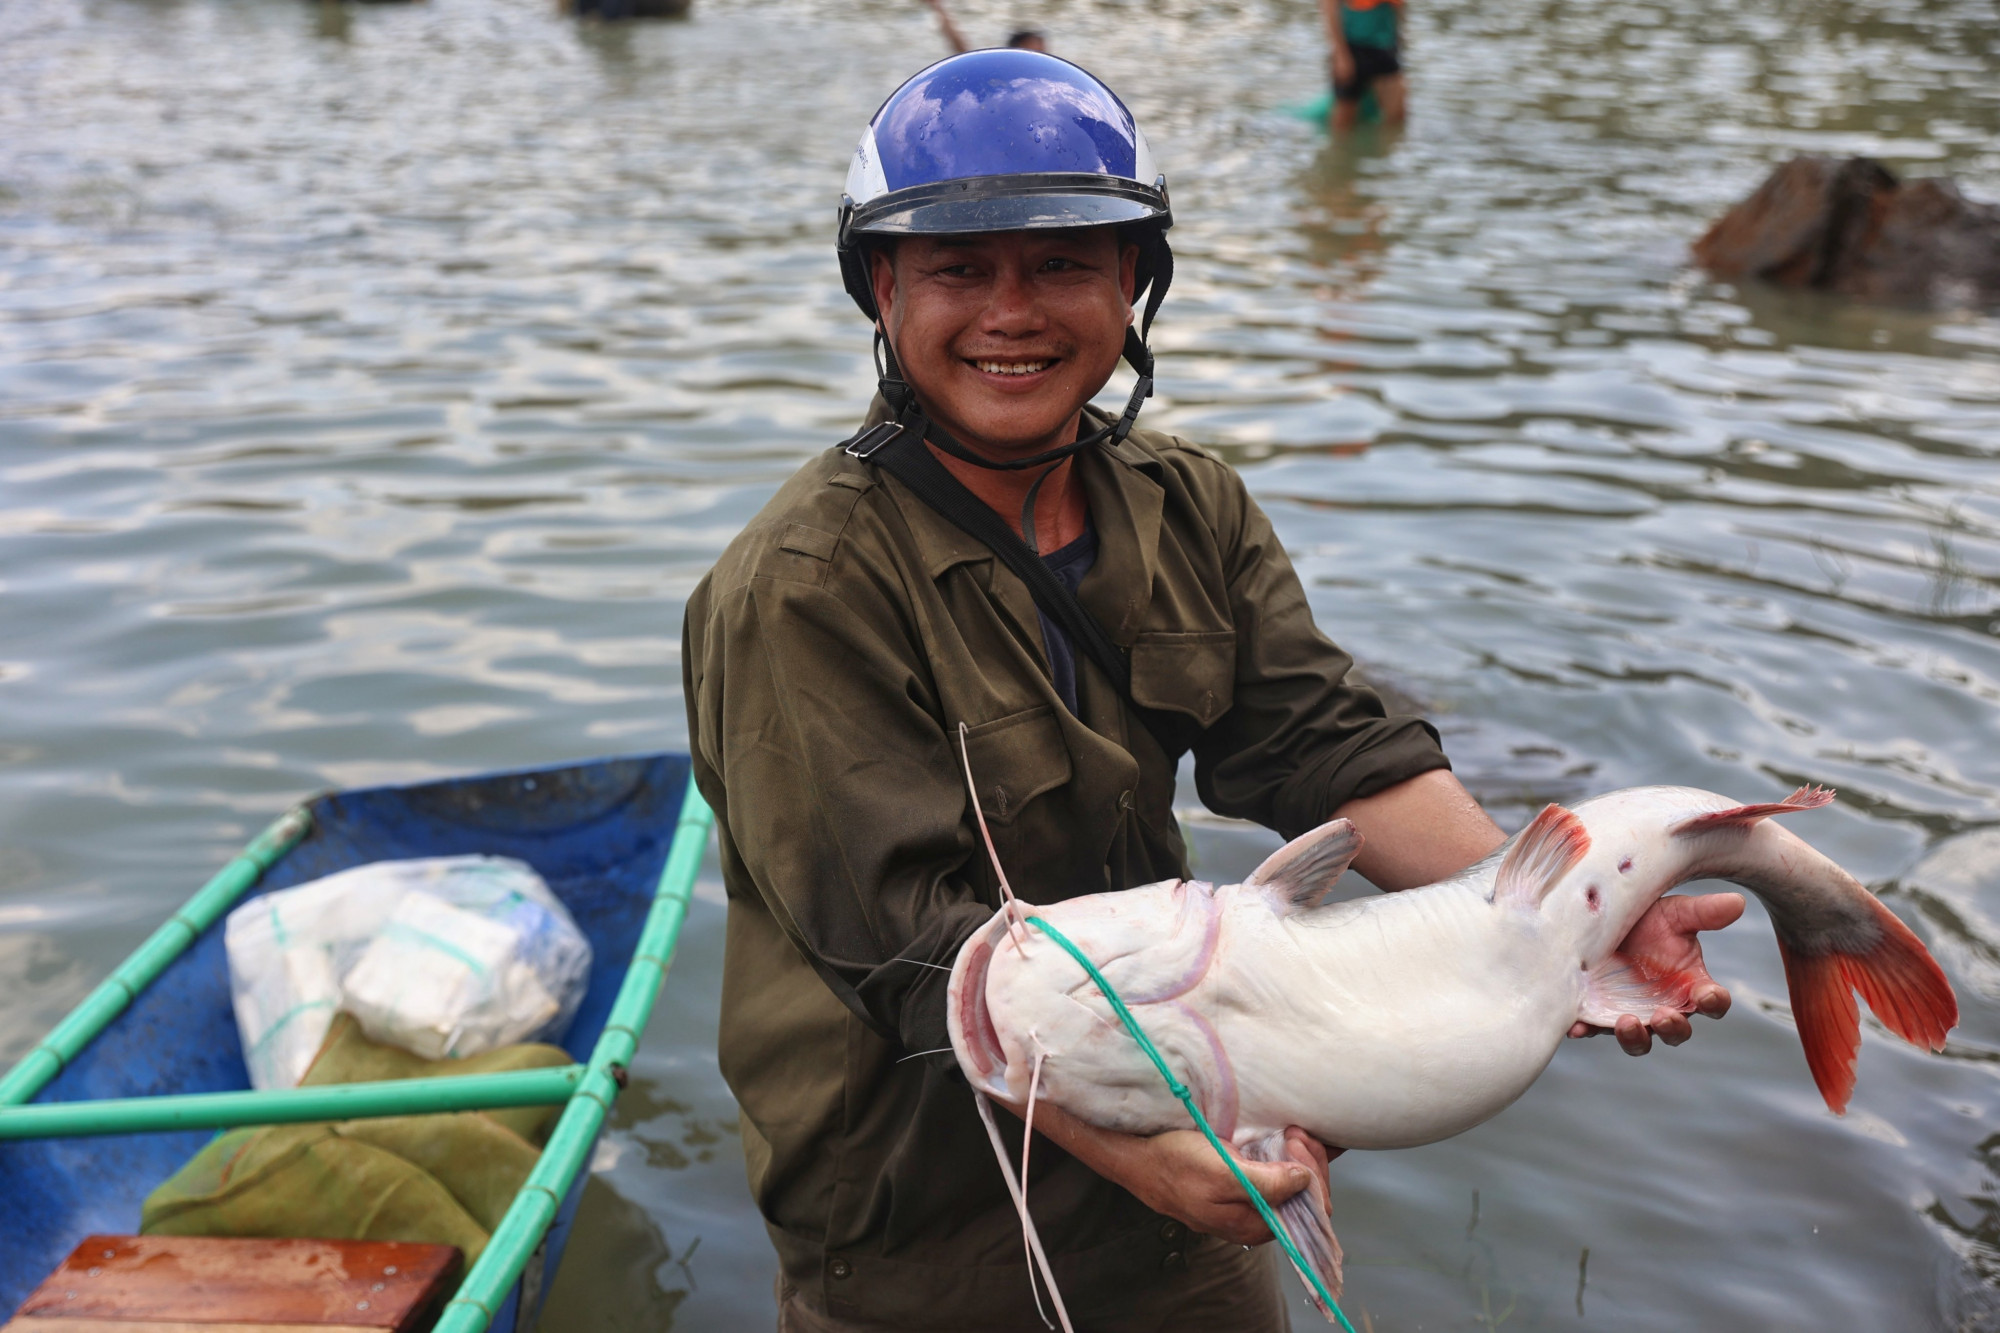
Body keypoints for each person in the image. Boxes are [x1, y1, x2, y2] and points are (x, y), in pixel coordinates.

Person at [682, 50, 1738, 1332]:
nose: (1009, 313)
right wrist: (1145, 1153)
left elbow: (1332, 750)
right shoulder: (801, 587)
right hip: (930, 1216)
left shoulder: (1187, 502)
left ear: (1133, 283)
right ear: (882, 287)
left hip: (1203, 1150)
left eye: (1063, 263)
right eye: (958, 268)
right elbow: (912, 951)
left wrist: (1566, 918)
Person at [1320, 0, 1406, 132]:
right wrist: (1339, 55)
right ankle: (1339, 149)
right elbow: (1328, 7)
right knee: (1344, 118)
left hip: (1385, 45)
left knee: (1397, 117)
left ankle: (1386, 150)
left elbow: (1399, 8)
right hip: (1352, 47)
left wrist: (1399, 42)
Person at [923, 0, 1047, 55]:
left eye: (1043, 52)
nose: (1043, 56)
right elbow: (962, 49)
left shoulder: (1052, 81)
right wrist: (938, 8)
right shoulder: (1000, 75)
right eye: (1035, 52)